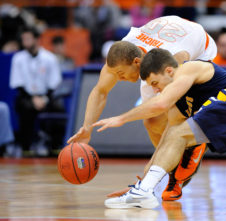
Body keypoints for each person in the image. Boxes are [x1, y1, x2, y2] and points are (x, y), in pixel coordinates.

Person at [93, 48, 226, 209]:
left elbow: (160, 104)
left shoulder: (188, 69)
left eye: (156, 82)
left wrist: (121, 118)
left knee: (178, 132)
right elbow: (167, 145)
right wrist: (143, 182)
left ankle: (143, 192)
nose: (155, 89)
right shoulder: (179, 108)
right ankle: (143, 191)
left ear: (169, 71)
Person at [67, 15, 217, 201]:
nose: (119, 79)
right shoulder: (122, 51)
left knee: (176, 119)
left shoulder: (172, 62)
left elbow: (166, 111)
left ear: (137, 62)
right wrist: (87, 128)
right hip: (167, 32)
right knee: (152, 122)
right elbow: (100, 91)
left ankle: (187, 155)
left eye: (121, 74)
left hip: (197, 48)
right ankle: (171, 168)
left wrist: (144, 182)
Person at [10, 27, 63, 157]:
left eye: (28, 39)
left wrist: (44, 99)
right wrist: (33, 99)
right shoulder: (18, 58)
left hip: (46, 96)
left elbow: (55, 83)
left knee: (58, 108)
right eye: (23, 39)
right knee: (25, 107)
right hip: (26, 96)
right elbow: (18, 83)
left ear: (37, 40)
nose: (25, 42)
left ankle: (55, 147)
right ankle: (26, 148)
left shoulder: (49, 58)